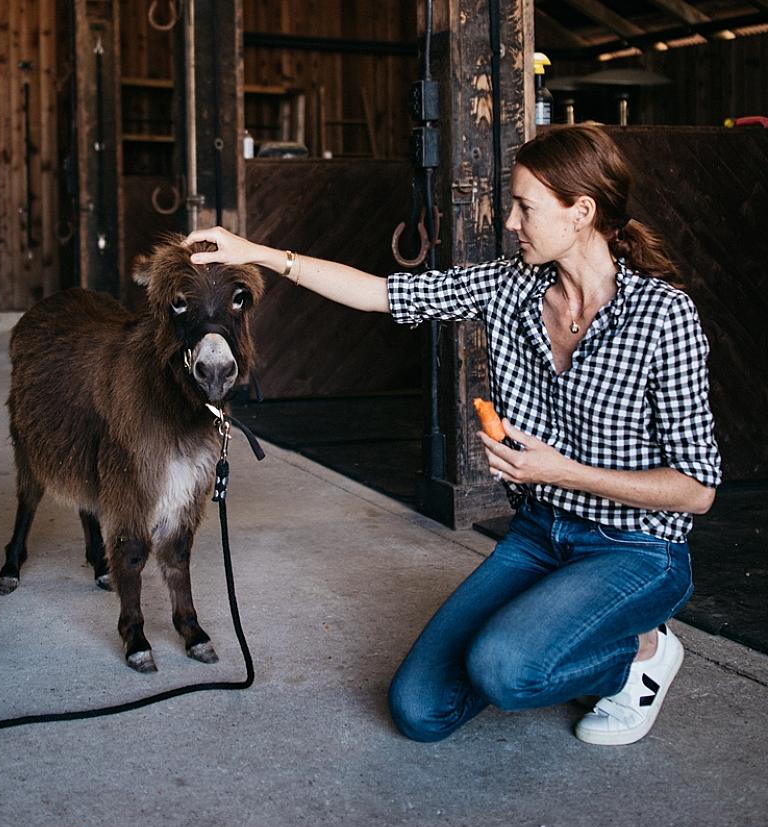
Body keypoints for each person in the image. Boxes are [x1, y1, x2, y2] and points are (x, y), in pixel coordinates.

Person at [185, 124, 721, 747]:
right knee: (419, 710)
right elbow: (379, 295)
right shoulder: (511, 286)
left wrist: (561, 471)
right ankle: (560, 631)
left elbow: (696, 490)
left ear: (582, 212)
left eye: (525, 206)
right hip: (541, 535)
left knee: (507, 668)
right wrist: (252, 251)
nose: (512, 222)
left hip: (635, 548)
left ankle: (641, 653)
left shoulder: (664, 316)